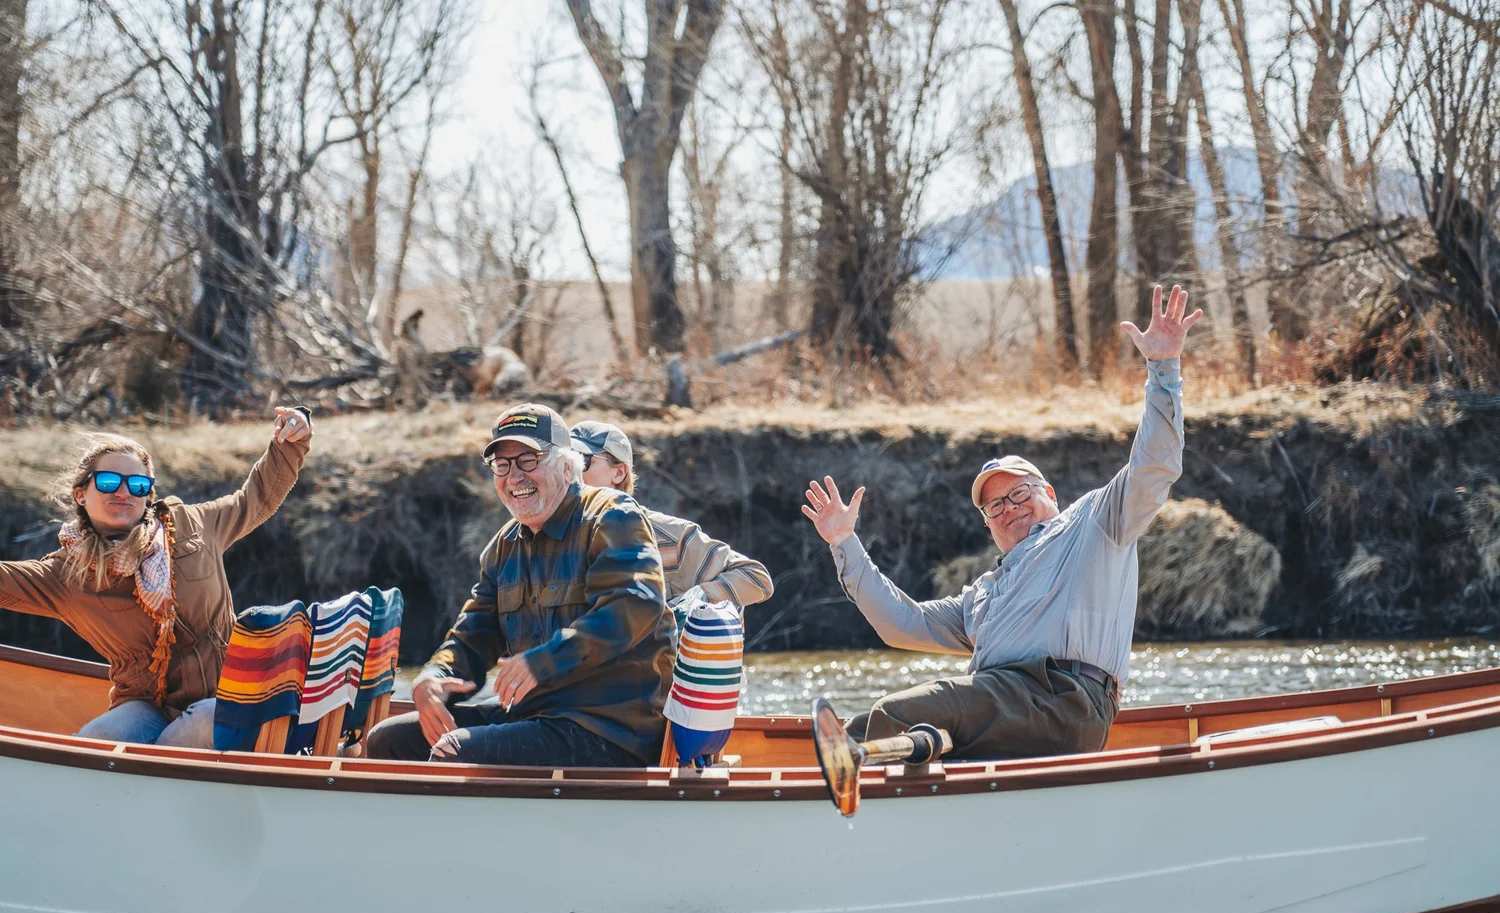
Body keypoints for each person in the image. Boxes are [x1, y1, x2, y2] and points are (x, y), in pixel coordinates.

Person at [802, 285, 1201, 760]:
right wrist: (844, 541)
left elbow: (1154, 466)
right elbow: (900, 624)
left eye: (1019, 493)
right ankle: (859, 782)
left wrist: (1163, 369)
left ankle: (844, 777)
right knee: (889, 731)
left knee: (899, 710)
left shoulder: (1095, 521)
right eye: (995, 507)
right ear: (988, 525)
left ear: (1049, 494)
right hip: (1003, 714)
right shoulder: (982, 598)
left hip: (1067, 704)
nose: (1009, 508)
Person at [364, 404, 675, 767]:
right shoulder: (502, 546)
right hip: (533, 719)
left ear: (566, 464)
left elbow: (635, 606)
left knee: (456, 751)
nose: (514, 477)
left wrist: (545, 660)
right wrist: (434, 678)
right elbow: (472, 636)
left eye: (529, 460)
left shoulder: (612, 513)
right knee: (388, 740)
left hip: (613, 731)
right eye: (502, 465)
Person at [0, 408, 313, 748]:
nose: (123, 492)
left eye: (137, 485)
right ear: (81, 494)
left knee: (210, 717)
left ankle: (150, 776)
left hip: (226, 693)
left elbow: (256, 499)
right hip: (146, 706)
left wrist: (289, 444)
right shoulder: (65, 575)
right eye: (108, 482)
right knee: (95, 741)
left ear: (148, 495)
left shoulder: (192, 526)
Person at [571, 419, 774, 609]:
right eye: (566, 460)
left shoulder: (667, 535)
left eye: (582, 459)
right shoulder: (548, 537)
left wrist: (690, 603)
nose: (572, 469)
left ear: (619, 472)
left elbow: (755, 578)